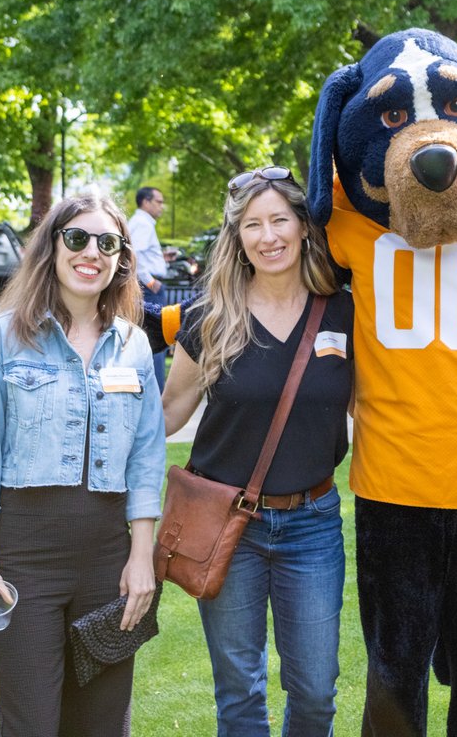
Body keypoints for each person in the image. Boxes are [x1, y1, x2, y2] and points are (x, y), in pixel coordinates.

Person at [0, 192, 166, 736]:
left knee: (101, 725)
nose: (90, 251)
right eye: (77, 238)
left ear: (122, 257)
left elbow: (146, 459)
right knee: (31, 724)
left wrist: (142, 558)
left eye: (108, 242)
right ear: (51, 247)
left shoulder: (135, 347)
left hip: (108, 561)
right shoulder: (2, 341)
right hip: (23, 557)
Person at [162, 166, 352, 737]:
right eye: (252, 225)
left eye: (279, 220)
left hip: (312, 524)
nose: (268, 236)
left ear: (302, 226)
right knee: (239, 693)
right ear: (237, 237)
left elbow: (371, 410)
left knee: (316, 692)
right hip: (225, 524)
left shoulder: (344, 312)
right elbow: (171, 410)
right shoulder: (210, 317)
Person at [128, 186, 169, 391]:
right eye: (158, 201)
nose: (162, 206)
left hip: (146, 286)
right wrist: (150, 281)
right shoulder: (143, 223)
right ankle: (157, 395)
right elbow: (133, 254)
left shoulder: (138, 222)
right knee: (156, 341)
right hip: (149, 289)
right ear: (146, 201)